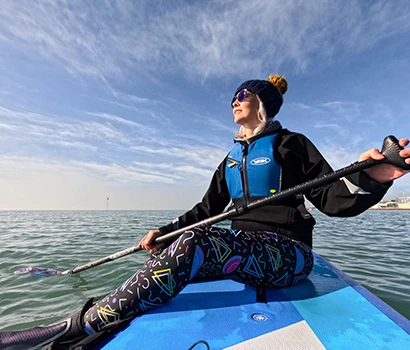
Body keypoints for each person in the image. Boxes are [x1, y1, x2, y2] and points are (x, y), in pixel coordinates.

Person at [2, 75, 409, 349]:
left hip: (288, 255)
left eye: (243, 95)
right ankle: (111, 312)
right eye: (233, 96)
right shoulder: (231, 160)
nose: (235, 100)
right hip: (239, 249)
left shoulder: (291, 144)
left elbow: (335, 200)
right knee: (183, 241)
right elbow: (206, 210)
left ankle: (82, 326)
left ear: (263, 102)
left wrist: (375, 177)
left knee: (195, 243)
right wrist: (162, 231)